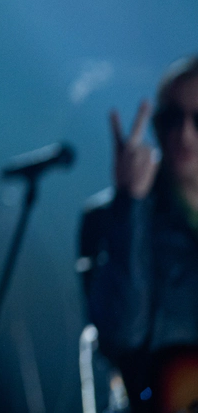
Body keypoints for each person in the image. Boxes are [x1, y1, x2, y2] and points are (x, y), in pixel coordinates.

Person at [79, 56, 198, 412]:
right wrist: (131, 206)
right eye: (172, 118)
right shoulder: (109, 217)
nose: (185, 134)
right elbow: (122, 334)